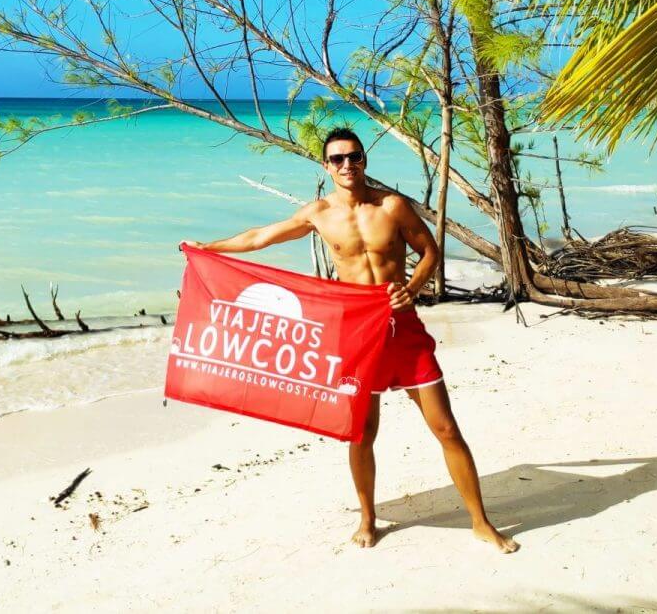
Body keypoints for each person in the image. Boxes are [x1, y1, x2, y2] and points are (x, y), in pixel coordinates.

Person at [189, 127, 518, 552]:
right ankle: (367, 518)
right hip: (357, 335)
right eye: (338, 159)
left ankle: (480, 522)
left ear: (364, 160)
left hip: (403, 330)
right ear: (326, 166)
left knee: (446, 428)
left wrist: (413, 287)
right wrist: (209, 248)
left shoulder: (391, 206)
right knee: (362, 432)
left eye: (354, 156)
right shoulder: (319, 213)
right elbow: (258, 237)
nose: (347, 165)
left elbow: (430, 251)